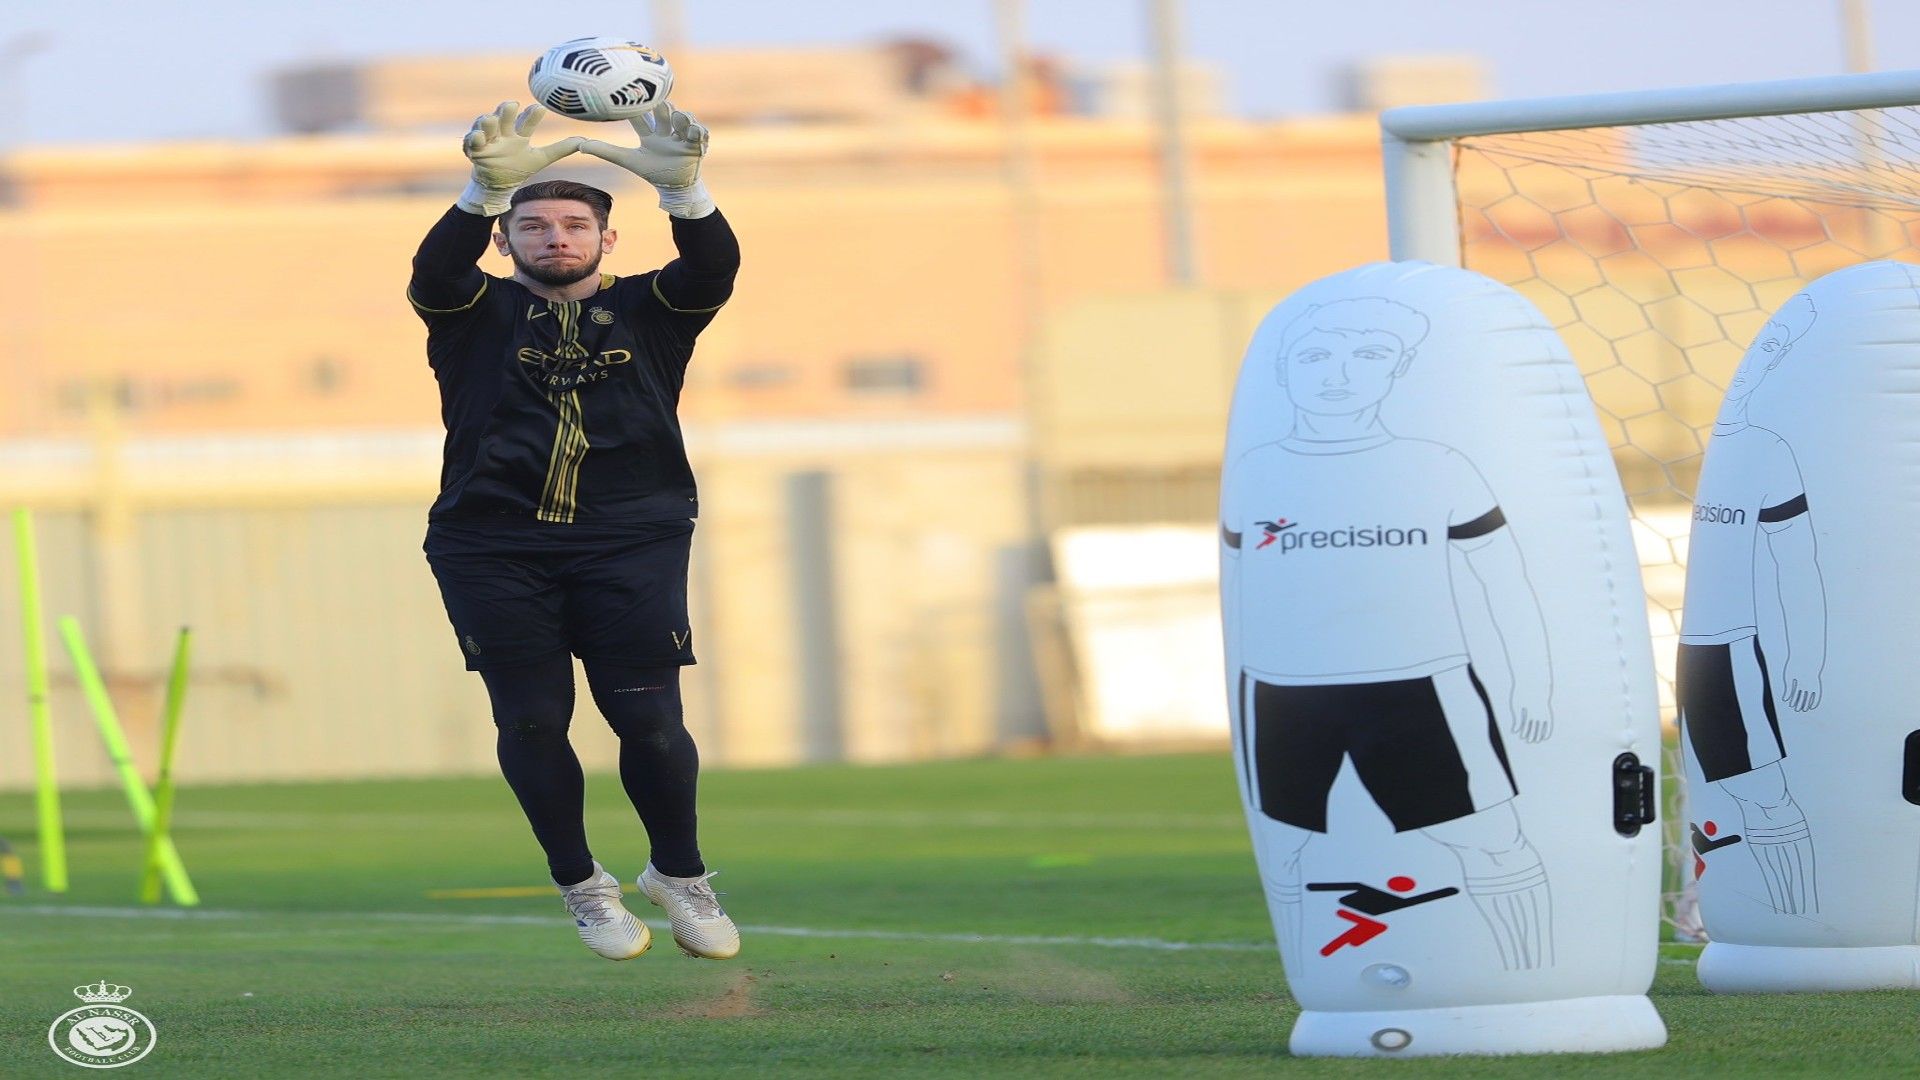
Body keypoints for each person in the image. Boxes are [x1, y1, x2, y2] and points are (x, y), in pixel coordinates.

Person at [406, 100, 741, 961]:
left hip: (632, 538)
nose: (555, 236)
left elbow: (713, 269)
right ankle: (581, 884)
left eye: (573, 223)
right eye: (534, 224)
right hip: (491, 544)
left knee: (652, 723)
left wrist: (688, 193)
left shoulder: (653, 311)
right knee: (532, 720)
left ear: (607, 239)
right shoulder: (469, 311)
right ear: (505, 241)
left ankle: (680, 875)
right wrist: (482, 188)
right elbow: (432, 271)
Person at [1222, 297, 1555, 971]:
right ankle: (1314, 978)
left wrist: (1533, 682)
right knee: (1284, 845)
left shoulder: (1441, 465)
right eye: (1315, 357)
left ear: (1396, 370)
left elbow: (1506, 581)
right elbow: (1237, 590)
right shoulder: (1256, 471)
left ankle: (1534, 976)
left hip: (1418, 687)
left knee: (1491, 838)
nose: (1337, 375)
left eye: (1365, 356)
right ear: (1284, 375)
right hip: (1284, 695)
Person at [1678, 294, 1825, 915]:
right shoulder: (1725, 447)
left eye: (1774, 349)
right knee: (1726, 795)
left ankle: (1799, 921)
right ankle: (1732, 913)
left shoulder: (1770, 450)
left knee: (1764, 792)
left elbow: (1799, 564)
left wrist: (1807, 659)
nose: (1756, 360)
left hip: (1733, 648)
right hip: (1692, 651)